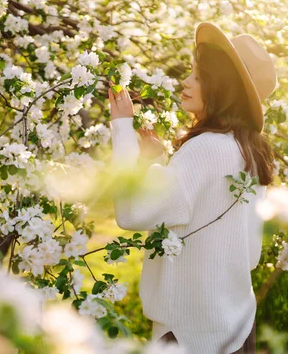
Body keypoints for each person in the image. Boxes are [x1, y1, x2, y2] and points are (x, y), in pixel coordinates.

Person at [107, 22, 278, 353]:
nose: (186, 82)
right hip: (235, 327)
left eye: (199, 76)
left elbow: (131, 211)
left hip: (188, 335)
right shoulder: (250, 152)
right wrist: (152, 162)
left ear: (222, 88)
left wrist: (122, 127)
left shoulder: (206, 148)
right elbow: (249, 253)